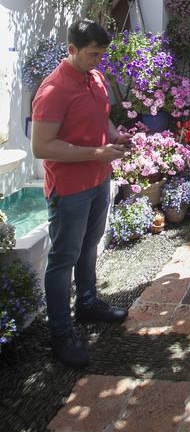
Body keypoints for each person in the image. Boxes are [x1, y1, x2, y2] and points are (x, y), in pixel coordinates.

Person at [31, 19, 130, 368]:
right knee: (63, 259)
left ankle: (87, 304)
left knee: (89, 246)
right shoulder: (53, 89)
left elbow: (101, 119)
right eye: (92, 54)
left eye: (102, 54)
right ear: (72, 50)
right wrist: (94, 153)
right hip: (70, 188)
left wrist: (114, 134)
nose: (98, 61)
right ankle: (61, 334)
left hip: (98, 180)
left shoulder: (96, 78)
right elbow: (41, 146)